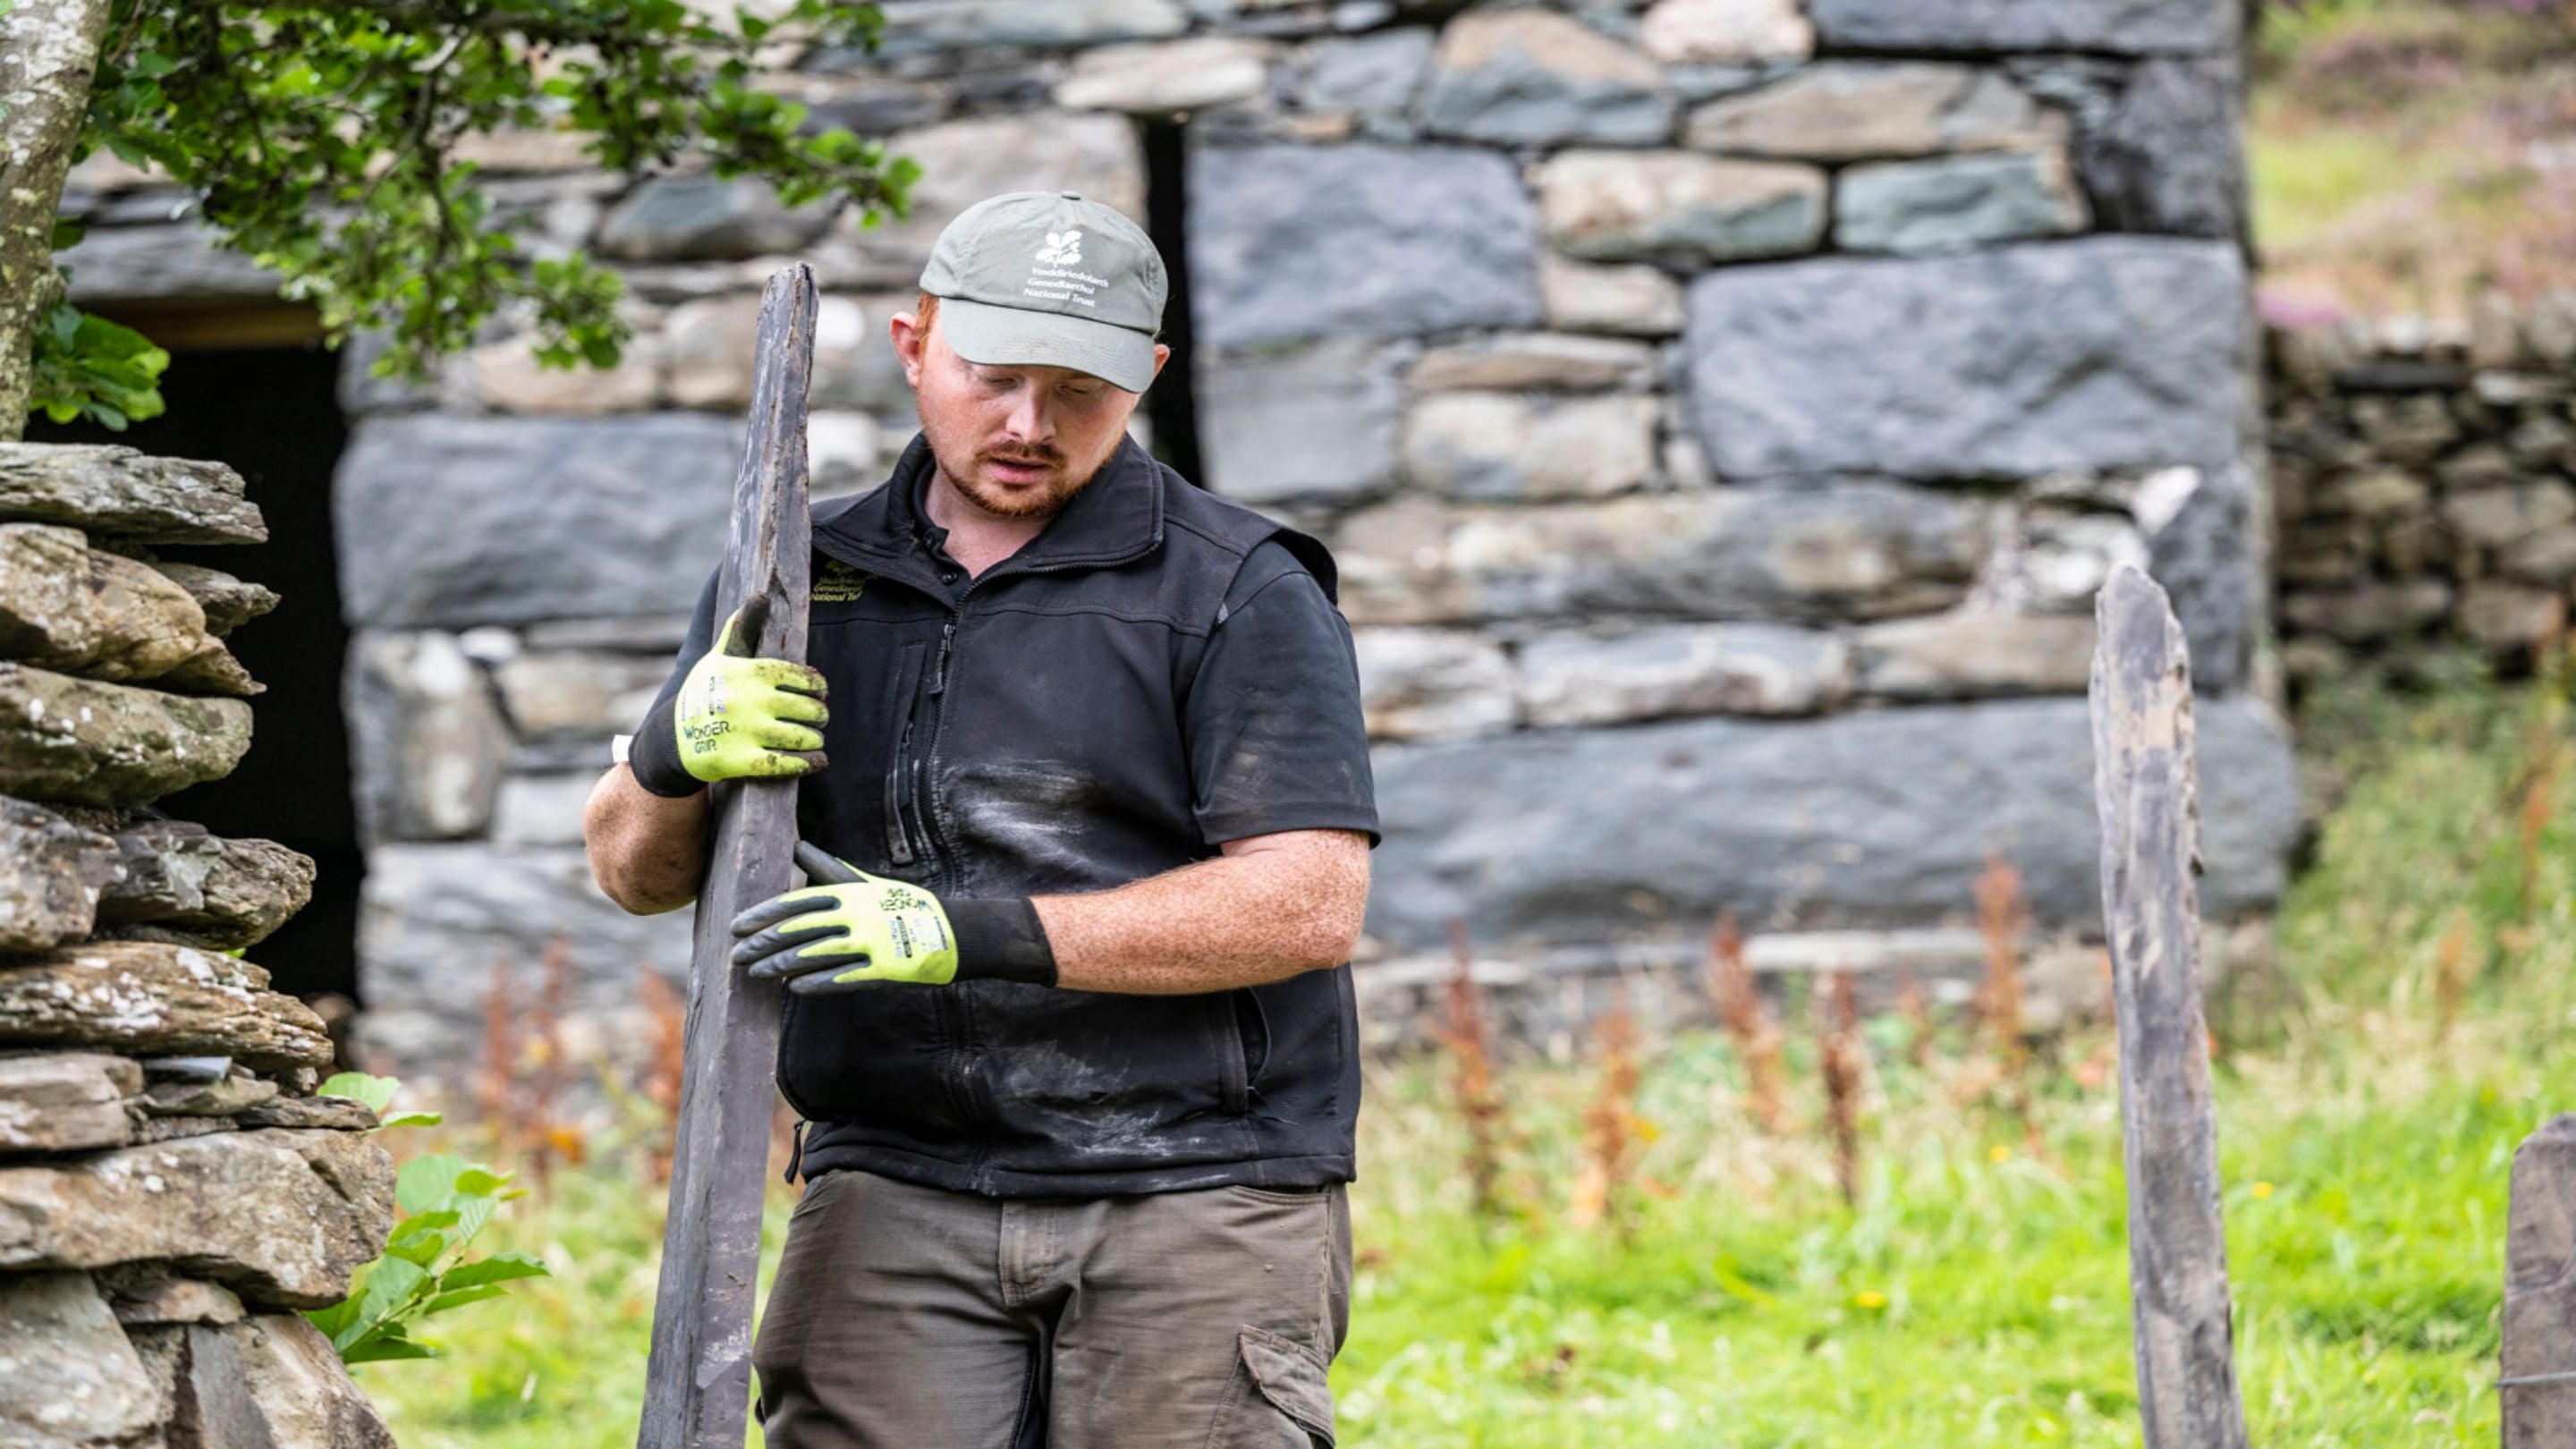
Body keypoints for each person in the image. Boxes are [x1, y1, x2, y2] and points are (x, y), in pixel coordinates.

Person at [581, 190, 1377, 1449]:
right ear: (914, 345)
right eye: (993, 377)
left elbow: (1307, 900)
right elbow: (633, 870)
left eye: (1080, 392)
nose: (1027, 426)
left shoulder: (1238, 586)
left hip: (1197, 1189)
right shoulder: (795, 576)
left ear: (1147, 378)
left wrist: (974, 933)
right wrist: (672, 751)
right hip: (892, 1186)